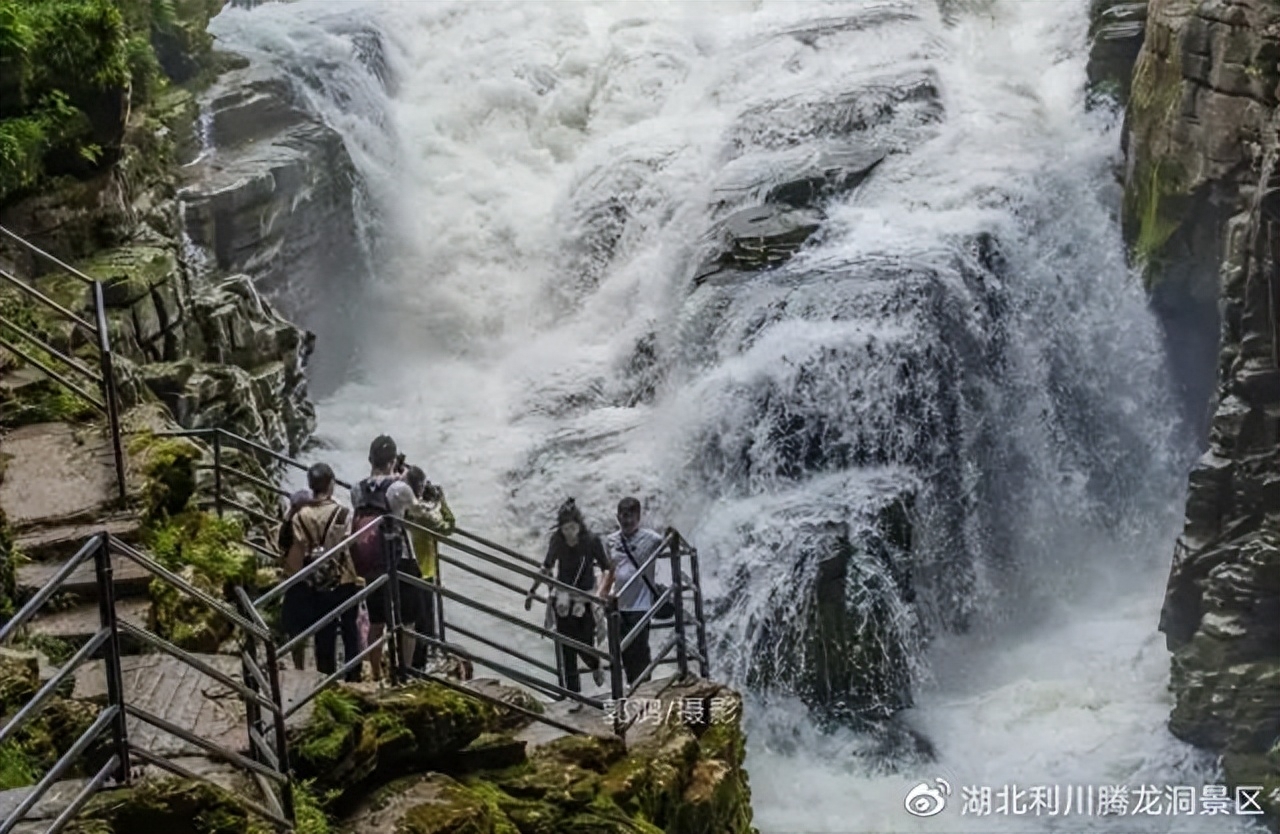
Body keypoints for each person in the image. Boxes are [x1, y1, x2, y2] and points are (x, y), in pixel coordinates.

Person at [284, 463, 363, 681]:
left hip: (315, 579)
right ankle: (353, 674)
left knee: (324, 631)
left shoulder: (301, 516)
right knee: (350, 627)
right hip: (344, 576)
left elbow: (298, 546)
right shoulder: (343, 512)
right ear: (332, 484)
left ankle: (325, 676)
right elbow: (351, 543)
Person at [526, 498, 612, 698]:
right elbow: (546, 566)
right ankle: (574, 696)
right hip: (563, 594)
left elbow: (606, 567)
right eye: (566, 529)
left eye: (573, 528)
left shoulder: (591, 540)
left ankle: (595, 665)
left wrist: (604, 593)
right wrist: (532, 591)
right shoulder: (557, 540)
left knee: (584, 641)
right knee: (567, 647)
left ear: (579, 526)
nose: (569, 533)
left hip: (585, 596)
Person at [349, 435, 417, 681]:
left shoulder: (357, 489)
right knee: (407, 621)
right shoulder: (399, 489)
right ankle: (403, 673)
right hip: (399, 559)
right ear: (393, 460)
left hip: (370, 563)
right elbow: (416, 510)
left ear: (370, 459)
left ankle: (376, 674)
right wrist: (404, 479)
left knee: (376, 622)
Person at [602, 497, 665, 687]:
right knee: (624, 651)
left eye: (631, 517)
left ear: (639, 517)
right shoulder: (611, 541)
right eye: (623, 516)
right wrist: (603, 594)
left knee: (640, 650)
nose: (627, 521)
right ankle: (631, 688)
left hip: (641, 604)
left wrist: (663, 585)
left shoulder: (653, 539)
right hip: (618, 605)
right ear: (617, 516)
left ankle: (644, 688)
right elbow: (609, 570)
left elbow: (670, 551)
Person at [403, 465, 455, 669]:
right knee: (424, 625)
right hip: (424, 572)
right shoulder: (424, 515)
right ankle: (418, 667)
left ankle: (410, 664)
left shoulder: (402, 509)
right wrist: (442, 502)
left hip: (404, 569)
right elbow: (449, 526)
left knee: (409, 621)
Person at [279, 489, 313, 671]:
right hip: (307, 580)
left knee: (294, 629)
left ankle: (299, 665)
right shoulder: (302, 524)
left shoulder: (288, 524)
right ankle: (303, 666)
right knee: (303, 628)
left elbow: (282, 546)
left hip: (292, 579)